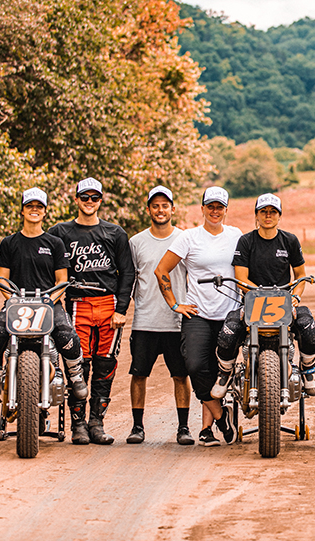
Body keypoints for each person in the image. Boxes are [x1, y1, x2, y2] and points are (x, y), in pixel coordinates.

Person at [0, 188, 88, 402]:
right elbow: (2, 279)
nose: (34, 210)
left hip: (49, 303)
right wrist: (12, 298)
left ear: (45, 211)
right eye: (30, 206)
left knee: (67, 335)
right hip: (16, 303)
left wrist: (48, 301)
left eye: (39, 207)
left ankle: (75, 375)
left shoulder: (55, 243)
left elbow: (61, 281)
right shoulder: (8, 243)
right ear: (22, 210)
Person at [49, 177, 134, 445]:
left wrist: (121, 309)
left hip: (108, 304)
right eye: (84, 197)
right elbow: (44, 261)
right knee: (78, 365)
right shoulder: (60, 232)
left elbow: (127, 273)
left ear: (100, 201)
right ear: (76, 199)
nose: (89, 202)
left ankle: (97, 422)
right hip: (77, 304)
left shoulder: (115, 233)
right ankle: (78, 424)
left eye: (94, 198)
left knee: (105, 364)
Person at [155, 186, 241, 447]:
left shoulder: (237, 236)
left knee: (219, 372)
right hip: (198, 315)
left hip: (230, 314)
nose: (215, 211)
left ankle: (206, 430)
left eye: (220, 207)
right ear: (202, 208)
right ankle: (222, 416)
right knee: (194, 366)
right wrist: (174, 304)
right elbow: (161, 271)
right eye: (210, 206)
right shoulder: (189, 237)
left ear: (226, 210)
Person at [214, 193, 315, 399]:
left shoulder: (290, 240)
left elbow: (300, 276)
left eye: (273, 212)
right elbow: (241, 278)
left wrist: (295, 298)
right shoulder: (246, 241)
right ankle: (225, 373)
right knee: (229, 332)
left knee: (309, 327)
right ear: (256, 215)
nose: (268, 215)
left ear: (279, 216)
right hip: (253, 302)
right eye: (263, 211)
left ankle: (308, 369)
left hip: (284, 304)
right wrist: (263, 294)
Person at [126, 186, 193, 445]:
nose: (160, 210)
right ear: (148, 210)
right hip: (145, 320)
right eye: (155, 205)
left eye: (165, 205)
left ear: (173, 209)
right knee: (139, 374)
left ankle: (184, 428)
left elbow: (194, 277)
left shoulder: (184, 239)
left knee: (180, 375)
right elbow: (131, 279)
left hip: (177, 322)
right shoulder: (136, 242)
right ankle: (137, 427)